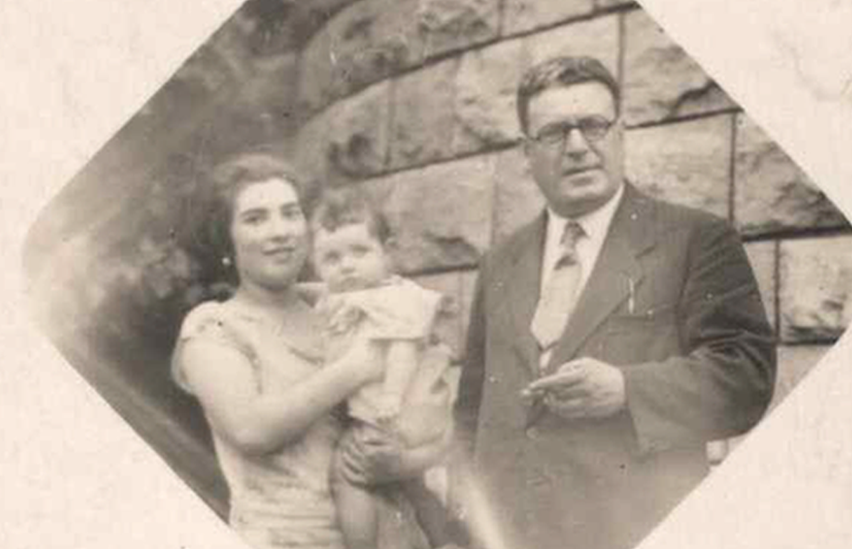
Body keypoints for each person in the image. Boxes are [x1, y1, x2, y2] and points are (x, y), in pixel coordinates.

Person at [452, 56, 777, 549]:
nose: (578, 146)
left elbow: (746, 376)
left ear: (621, 133)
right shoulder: (500, 263)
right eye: (555, 132)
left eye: (594, 126)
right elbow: (471, 410)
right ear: (526, 151)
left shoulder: (694, 239)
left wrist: (627, 389)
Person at [171, 153, 450, 549]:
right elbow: (251, 430)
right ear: (226, 241)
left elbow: (436, 406)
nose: (280, 230)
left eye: (290, 213)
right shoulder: (214, 327)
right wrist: (358, 367)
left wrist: (407, 461)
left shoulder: (349, 304)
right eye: (256, 219)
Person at [308, 188, 453, 549]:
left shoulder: (391, 299)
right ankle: (446, 541)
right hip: (413, 414)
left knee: (346, 473)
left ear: (387, 253)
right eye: (331, 258)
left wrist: (390, 395)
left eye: (360, 252)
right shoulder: (359, 296)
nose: (346, 265)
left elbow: (402, 344)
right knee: (414, 483)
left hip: (394, 408)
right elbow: (316, 297)